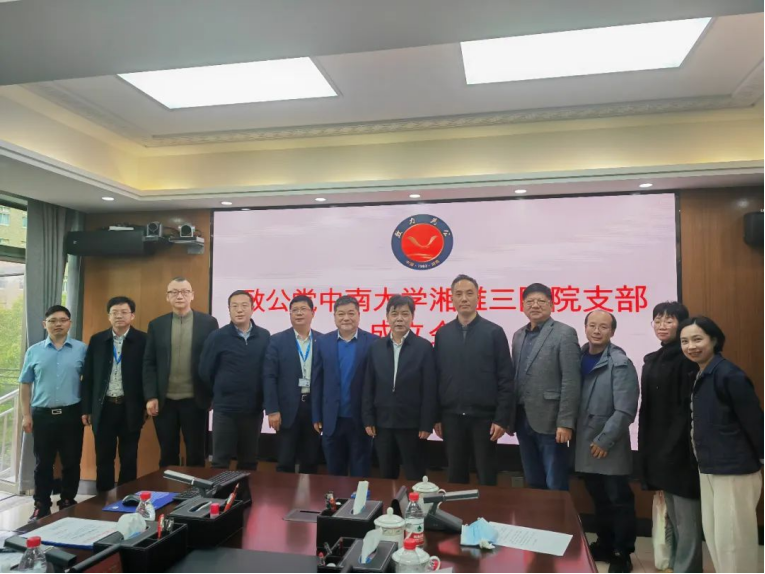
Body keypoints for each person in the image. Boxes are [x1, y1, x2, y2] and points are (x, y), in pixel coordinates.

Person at [679, 316, 763, 574]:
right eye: (685, 341)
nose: (691, 346)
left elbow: (755, 422)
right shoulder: (701, 373)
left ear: (714, 340)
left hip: (734, 470)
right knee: (717, 537)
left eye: (697, 339)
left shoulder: (729, 374)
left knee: (734, 540)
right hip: (709, 467)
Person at [637, 302, 701, 573]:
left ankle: (688, 568)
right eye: (658, 320)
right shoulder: (654, 358)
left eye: (669, 320)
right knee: (673, 516)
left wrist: (672, 446)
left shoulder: (687, 359)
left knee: (687, 519)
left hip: (681, 448)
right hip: (658, 447)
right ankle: (675, 564)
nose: (662, 325)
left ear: (682, 324)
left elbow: (686, 410)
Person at [433, 274, 514, 486]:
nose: (464, 298)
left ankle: (487, 509)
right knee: (455, 476)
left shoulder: (494, 332)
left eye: (469, 293)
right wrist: (436, 416)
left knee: (486, 475)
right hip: (451, 417)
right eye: (458, 294)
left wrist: (501, 418)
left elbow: (506, 378)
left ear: (478, 297)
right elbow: (437, 378)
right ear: (451, 298)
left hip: (484, 419)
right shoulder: (442, 334)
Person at [575, 311, 639, 573]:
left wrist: (604, 440)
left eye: (603, 327)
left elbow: (625, 410)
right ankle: (604, 543)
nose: (597, 330)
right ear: (585, 328)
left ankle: (622, 552)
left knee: (619, 500)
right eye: (592, 325)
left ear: (612, 331)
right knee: (599, 499)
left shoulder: (620, 363)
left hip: (608, 445)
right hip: (584, 444)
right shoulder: (578, 357)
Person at [19, 305, 87, 521]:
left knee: (71, 461)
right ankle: (41, 504)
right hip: (42, 415)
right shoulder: (34, 351)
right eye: (53, 320)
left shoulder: (81, 349)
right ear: (45, 324)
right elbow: (25, 384)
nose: (58, 324)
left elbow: (90, 382)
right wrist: (26, 415)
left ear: (70, 323)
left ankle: (67, 500)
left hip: (72, 414)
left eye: (63, 320)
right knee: (43, 463)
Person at [511, 283, 580, 491]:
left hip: (551, 421)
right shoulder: (518, 335)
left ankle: (558, 514)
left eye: (541, 301)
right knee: (533, 479)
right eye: (530, 301)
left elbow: (571, 380)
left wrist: (565, 422)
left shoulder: (564, 333)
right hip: (522, 418)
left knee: (555, 482)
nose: (535, 305)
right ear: (523, 305)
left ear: (551, 304)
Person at [143, 277, 219, 467]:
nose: (180, 296)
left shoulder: (208, 323)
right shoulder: (157, 325)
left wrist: (212, 395)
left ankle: (196, 487)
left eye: (185, 292)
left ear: (192, 295)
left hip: (195, 400)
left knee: (196, 453)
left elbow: (214, 361)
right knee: (167, 452)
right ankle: (168, 486)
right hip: (164, 401)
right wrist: (151, 396)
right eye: (174, 292)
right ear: (167, 297)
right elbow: (149, 363)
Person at [362, 295, 438, 480]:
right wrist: (368, 418)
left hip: (412, 425)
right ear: (387, 317)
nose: (399, 319)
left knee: (415, 475)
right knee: (386, 475)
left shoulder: (423, 347)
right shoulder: (376, 347)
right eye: (394, 314)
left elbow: (429, 389)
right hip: (382, 424)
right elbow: (368, 385)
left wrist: (427, 423)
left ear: (412, 317)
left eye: (405, 314)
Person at [82, 296, 147, 493]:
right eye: (114, 312)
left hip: (130, 407)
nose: (119, 316)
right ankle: (103, 497)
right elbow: (88, 377)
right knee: (103, 457)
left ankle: (126, 497)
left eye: (124, 312)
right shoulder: (97, 340)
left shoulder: (143, 340)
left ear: (132, 315)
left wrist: (147, 403)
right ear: (108, 316)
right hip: (104, 407)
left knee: (129, 457)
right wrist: (86, 408)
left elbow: (148, 374)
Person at [199, 290, 270, 470]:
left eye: (244, 305)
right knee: (220, 461)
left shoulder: (264, 336)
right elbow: (205, 371)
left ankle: (244, 490)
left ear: (253, 308)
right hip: (225, 409)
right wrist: (220, 391)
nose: (239, 310)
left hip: (253, 409)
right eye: (234, 306)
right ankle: (220, 491)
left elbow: (268, 371)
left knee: (249, 461)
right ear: (229, 310)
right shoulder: (217, 336)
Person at [312, 295, 378, 477]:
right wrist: (316, 415)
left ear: (359, 315)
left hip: (360, 420)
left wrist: (373, 417)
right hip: (332, 419)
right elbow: (317, 381)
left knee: (360, 472)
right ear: (334, 317)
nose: (346, 318)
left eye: (351, 313)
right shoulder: (323, 342)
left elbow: (376, 384)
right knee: (334, 473)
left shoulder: (373, 342)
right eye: (341, 314)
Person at [263, 295, 323, 474]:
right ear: (290, 314)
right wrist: (272, 409)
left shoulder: (322, 341)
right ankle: (284, 493)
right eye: (294, 310)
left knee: (311, 461)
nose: (299, 313)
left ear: (313, 313)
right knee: (285, 460)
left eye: (303, 309)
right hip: (286, 410)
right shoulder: (277, 340)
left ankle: (309, 493)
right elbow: (269, 376)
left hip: (313, 408)